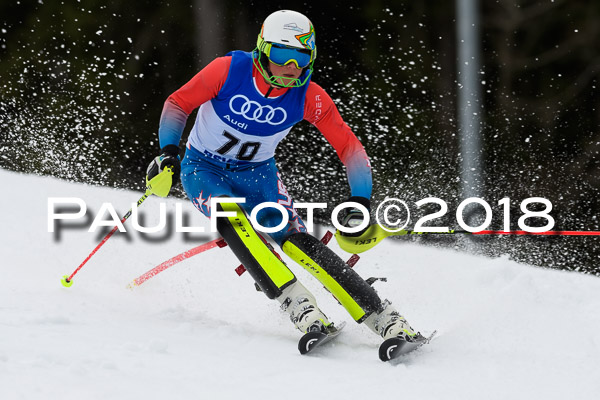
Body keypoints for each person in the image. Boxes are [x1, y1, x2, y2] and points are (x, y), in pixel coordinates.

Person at [147, 10, 419, 344]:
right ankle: (299, 305)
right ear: (262, 51)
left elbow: (350, 148)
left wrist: (359, 200)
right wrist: (169, 153)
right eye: (282, 55)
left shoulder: (309, 96)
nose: (292, 67)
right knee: (230, 218)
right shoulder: (228, 70)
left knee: (296, 240)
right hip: (203, 169)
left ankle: (384, 317)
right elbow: (177, 104)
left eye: (301, 58)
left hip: (258, 176)